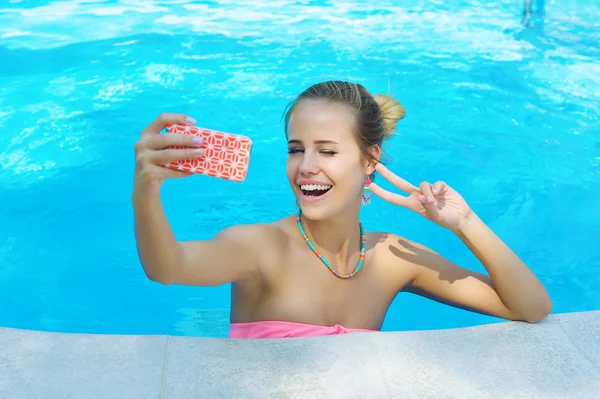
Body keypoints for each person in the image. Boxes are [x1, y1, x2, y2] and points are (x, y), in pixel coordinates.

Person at [132, 81, 552, 339]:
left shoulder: (392, 257)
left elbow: (529, 308)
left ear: (370, 161)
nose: (306, 167)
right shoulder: (260, 248)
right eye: (296, 150)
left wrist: (465, 223)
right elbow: (167, 268)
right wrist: (146, 191)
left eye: (327, 151)